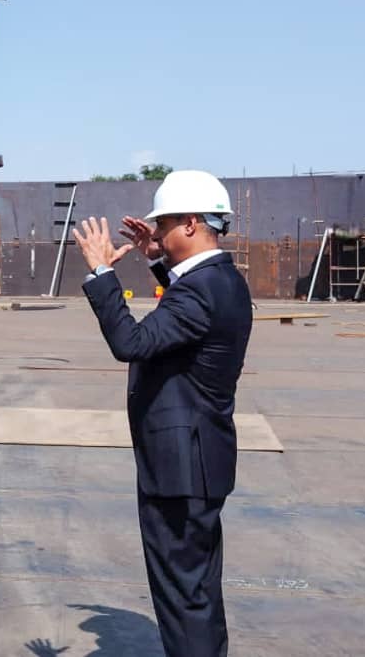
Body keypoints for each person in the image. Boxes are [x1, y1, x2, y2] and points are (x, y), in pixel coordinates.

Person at [72, 169, 252, 657]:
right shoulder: (223, 281)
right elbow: (184, 318)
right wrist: (156, 259)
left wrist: (102, 274)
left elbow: (131, 342)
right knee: (197, 590)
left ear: (191, 223)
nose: (158, 233)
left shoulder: (199, 290)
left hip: (179, 470)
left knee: (182, 596)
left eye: (165, 224)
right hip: (200, 462)